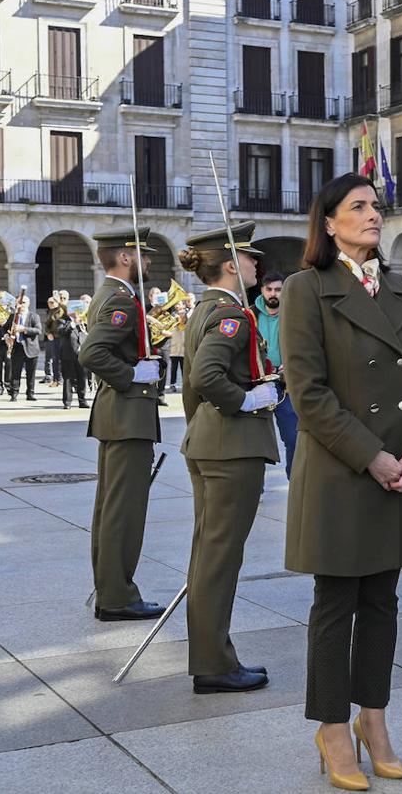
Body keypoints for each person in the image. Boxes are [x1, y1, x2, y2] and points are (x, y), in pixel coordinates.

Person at [280, 173, 402, 790]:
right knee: (336, 602)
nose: (373, 215)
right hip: (343, 470)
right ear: (328, 223)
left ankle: (372, 720)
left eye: (376, 206)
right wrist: (373, 456)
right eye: (358, 207)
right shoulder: (306, 289)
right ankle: (331, 727)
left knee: (383, 600)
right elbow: (308, 393)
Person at [178, 224, 279, 694]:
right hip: (231, 445)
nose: (257, 264)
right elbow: (206, 374)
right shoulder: (231, 314)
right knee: (219, 557)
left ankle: (213, 656)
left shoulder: (207, 309)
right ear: (230, 263)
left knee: (209, 555)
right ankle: (214, 664)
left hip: (209, 441)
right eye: (250, 257)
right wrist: (247, 401)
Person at [78, 226, 166, 622]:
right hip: (128, 413)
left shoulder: (112, 294)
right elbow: (92, 352)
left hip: (118, 414)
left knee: (111, 509)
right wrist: (134, 375)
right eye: (142, 255)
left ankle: (111, 590)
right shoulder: (122, 299)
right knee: (123, 511)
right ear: (126, 257)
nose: (148, 261)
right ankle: (117, 596)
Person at [255, 272, 298, 477]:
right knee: (255, 439)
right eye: (269, 289)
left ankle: (295, 480)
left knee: (293, 437)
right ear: (262, 290)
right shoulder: (249, 314)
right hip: (257, 383)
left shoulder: (294, 313)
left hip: (286, 384)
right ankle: (256, 486)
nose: (273, 294)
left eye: (278, 290)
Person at [58, 305, 89, 409]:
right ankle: (67, 402)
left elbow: (87, 334)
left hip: (81, 355)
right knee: (68, 379)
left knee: (82, 378)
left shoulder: (83, 322)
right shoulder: (63, 321)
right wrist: (73, 323)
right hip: (68, 355)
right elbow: (61, 332)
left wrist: (82, 325)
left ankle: (82, 400)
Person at [166, 301, 187, 393]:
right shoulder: (173, 316)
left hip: (184, 347)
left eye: (180, 304)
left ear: (184, 305)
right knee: (173, 368)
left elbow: (185, 322)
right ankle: (172, 384)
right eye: (176, 304)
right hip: (174, 347)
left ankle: (185, 385)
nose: (177, 306)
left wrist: (182, 317)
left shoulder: (188, 315)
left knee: (184, 368)